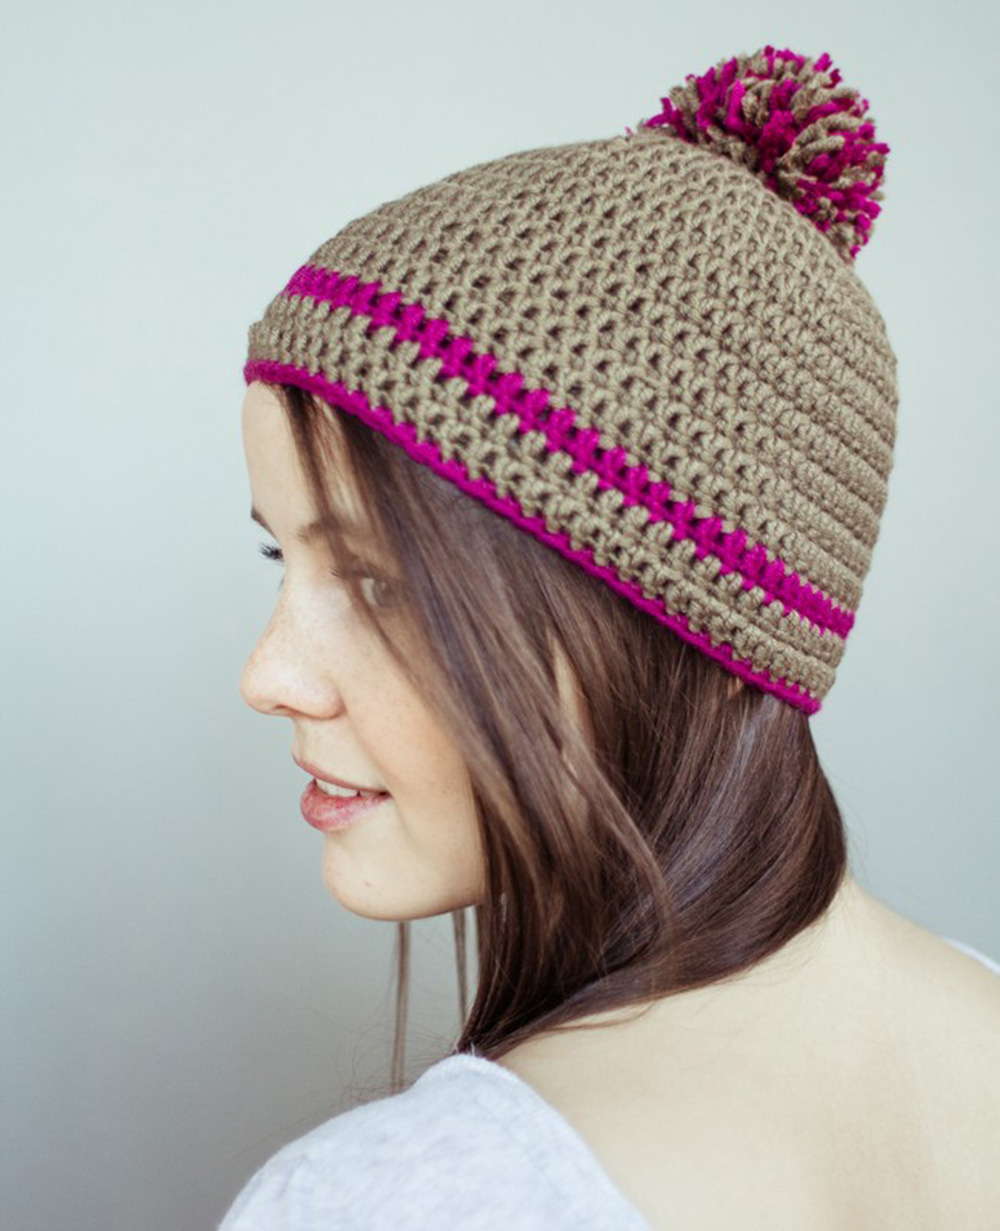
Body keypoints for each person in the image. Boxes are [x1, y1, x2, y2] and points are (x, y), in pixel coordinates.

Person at [220, 44, 1000, 1231]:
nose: (267, 675)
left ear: (688, 625)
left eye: (379, 584)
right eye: (285, 558)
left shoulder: (388, 1201)